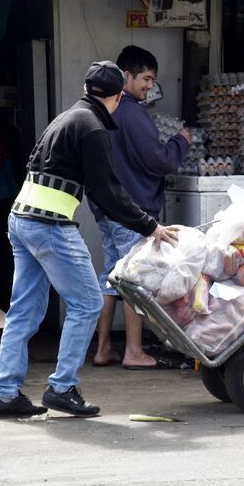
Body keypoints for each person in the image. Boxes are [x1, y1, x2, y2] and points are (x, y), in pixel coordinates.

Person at [0, 61, 178, 419]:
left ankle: (6, 395)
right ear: (118, 96)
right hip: (49, 225)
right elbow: (108, 190)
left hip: (21, 220)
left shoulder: (66, 118)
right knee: (88, 303)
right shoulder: (92, 128)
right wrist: (149, 226)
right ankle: (62, 387)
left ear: (88, 89)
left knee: (24, 311)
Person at [89, 46, 191, 369]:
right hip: (131, 212)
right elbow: (158, 160)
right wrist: (182, 141)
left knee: (110, 276)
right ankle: (134, 351)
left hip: (105, 210)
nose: (149, 86)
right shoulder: (132, 113)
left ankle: (103, 348)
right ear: (127, 77)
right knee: (134, 278)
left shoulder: (102, 111)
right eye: (146, 78)